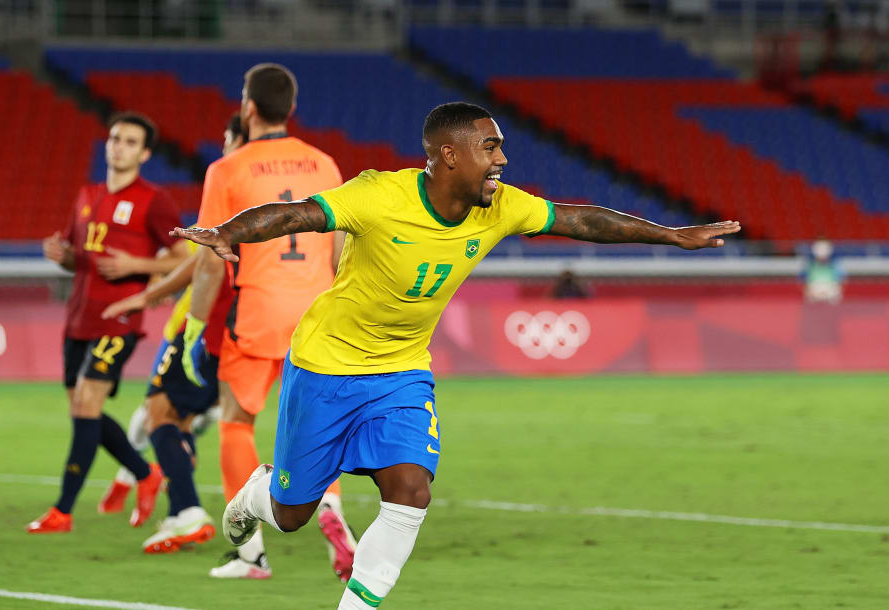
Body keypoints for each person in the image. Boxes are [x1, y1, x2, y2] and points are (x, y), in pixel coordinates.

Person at [173, 102, 741, 608]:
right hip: (325, 367)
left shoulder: (501, 207)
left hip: (401, 373)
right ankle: (257, 494)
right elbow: (297, 215)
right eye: (490, 146)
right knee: (293, 514)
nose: (502, 159)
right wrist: (232, 230)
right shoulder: (379, 194)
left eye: (501, 147)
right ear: (449, 154)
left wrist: (669, 235)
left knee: (411, 490)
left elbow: (579, 219)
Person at [183, 63, 355, 581]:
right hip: (317, 313)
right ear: (292, 108)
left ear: (248, 107)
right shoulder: (323, 162)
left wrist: (193, 326)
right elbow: (344, 247)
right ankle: (334, 514)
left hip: (257, 311)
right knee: (316, 430)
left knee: (236, 421)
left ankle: (250, 554)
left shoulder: (228, 169)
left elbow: (212, 256)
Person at [28, 112, 193, 534]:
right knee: (83, 410)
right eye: (115, 138)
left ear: (145, 153)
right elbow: (78, 257)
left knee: (86, 405)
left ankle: (63, 510)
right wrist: (62, 256)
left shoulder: (154, 200)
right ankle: (144, 473)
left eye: (130, 141)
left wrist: (136, 265)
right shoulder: (87, 194)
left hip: (118, 317)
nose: (119, 146)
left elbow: (185, 256)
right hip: (78, 315)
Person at [96, 114, 247, 554]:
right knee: (179, 420)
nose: (220, 145)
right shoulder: (280, 191)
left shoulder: (229, 182)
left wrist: (148, 295)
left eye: (225, 136)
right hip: (249, 325)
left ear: (241, 136)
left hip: (207, 325)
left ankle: (186, 512)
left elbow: (203, 261)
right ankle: (183, 509)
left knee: (159, 410)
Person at [803, 238, 843, 304]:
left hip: (830, 291)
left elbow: (839, 282)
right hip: (814, 290)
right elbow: (806, 282)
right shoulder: (810, 265)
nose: (822, 258)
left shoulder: (835, 265)